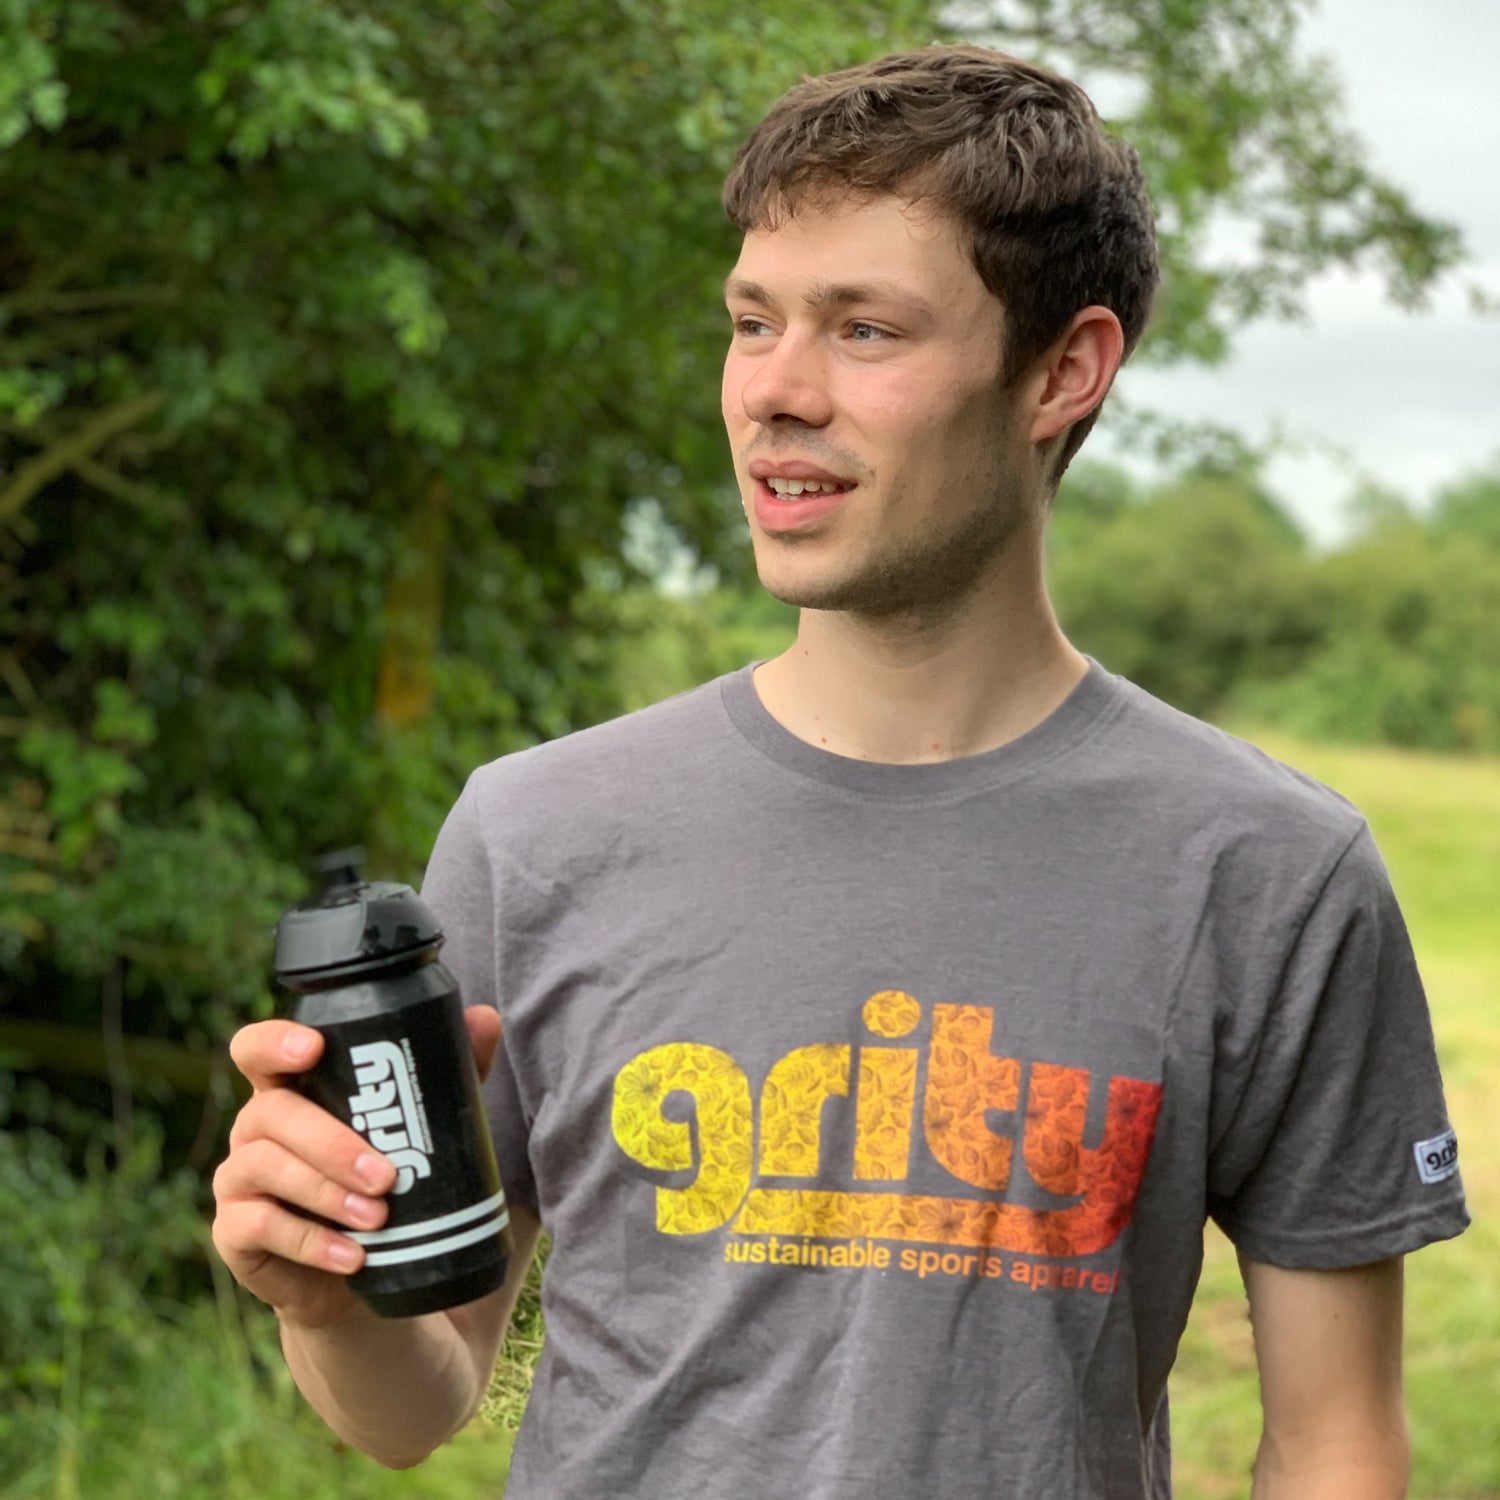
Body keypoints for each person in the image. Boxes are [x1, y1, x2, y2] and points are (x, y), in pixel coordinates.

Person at [211, 45, 1468, 1499]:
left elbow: (1335, 1442)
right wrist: (321, 1296)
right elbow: (416, 1403)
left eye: (864, 330)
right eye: (754, 322)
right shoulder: (539, 829)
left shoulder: (1265, 870)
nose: (775, 394)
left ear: (1065, 369)